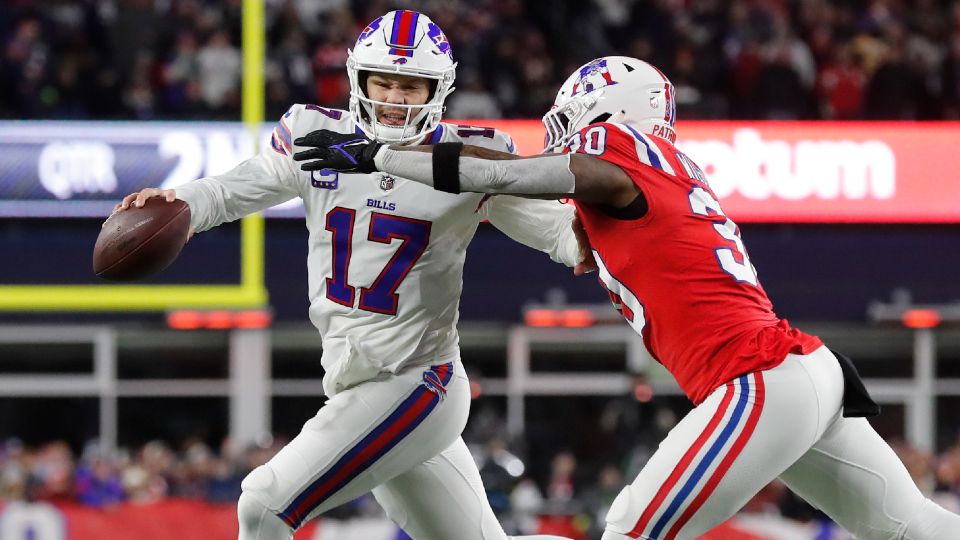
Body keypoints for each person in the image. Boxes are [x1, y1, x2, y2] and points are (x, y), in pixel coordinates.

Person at [294, 55, 960, 539]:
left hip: (758, 382)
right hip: (800, 372)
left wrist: (378, 157)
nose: (561, 132)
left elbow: (511, 174)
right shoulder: (667, 169)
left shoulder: (621, 146)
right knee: (914, 527)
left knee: (631, 530)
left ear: (603, 108)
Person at [113, 10, 582, 540]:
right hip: (359, 386)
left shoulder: (467, 159)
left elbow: (564, 236)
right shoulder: (318, 135)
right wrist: (181, 201)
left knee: (263, 505)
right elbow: (232, 189)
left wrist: (634, 227)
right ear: (357, 78)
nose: (394, 97)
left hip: (417, 381)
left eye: (410, 85)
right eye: (383, 81)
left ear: (439, 90)